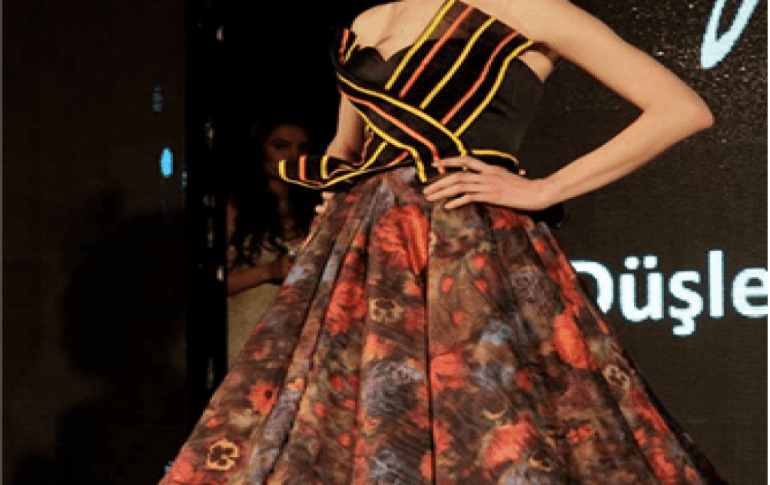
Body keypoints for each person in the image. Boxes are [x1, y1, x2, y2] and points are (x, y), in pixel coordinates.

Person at [161, 0, 727, 483]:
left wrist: (545, 188)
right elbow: (346, 149)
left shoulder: (530, 7)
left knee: (485, 411)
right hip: (365, 249)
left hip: (468, 244)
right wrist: (334, 201)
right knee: (343, 416)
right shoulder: (371, 19)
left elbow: (681, 109)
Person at [225, 117, 318, 366]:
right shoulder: (235, 209)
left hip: (298, 343)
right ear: (259, 150)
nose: (293, 156)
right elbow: (204, 284)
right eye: (281, 146)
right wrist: (269, 271)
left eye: (302, 148)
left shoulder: (317, 209)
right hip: (245, 339)